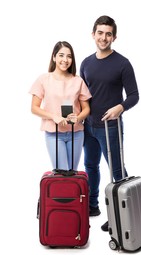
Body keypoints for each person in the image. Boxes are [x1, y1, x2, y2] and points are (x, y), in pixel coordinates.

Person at [80, 15, 139, 231]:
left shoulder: (122, 63)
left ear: (114, 36)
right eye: (100, 33)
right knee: (90, 166)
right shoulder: (86, 63)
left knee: (116, 170)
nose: (103, 38)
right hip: (88, 126)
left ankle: (119, 214)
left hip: (110, 127)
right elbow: (83, 96)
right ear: (93, 34)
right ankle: (92, 206)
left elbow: (134, 95)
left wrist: (120, 108)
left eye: (108, 34)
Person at [29, 41, 91, 170]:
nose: (65, 60)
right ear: (54, 57)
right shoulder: (44, 79)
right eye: (61, 55)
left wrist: (78, 118)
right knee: (62, 172)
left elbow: (86, 109)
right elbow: (34, 108)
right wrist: (53, 116)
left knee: (73, 173)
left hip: (76, 133)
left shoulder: (78, 80)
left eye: (69, 56)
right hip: (54, 133)